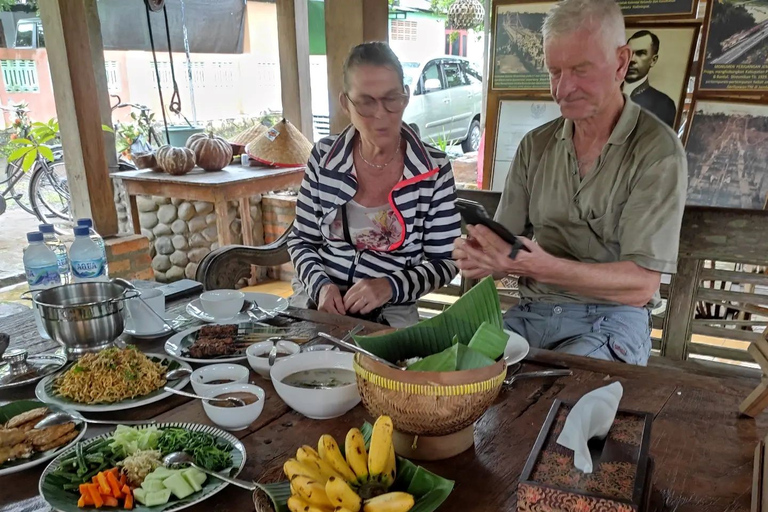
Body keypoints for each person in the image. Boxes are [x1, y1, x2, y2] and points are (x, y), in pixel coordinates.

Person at [453, 0, 687, 365]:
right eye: (555, 71)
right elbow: (504, 254)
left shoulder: (656, 151)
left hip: (612, 320)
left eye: (580, 70)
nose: (564, 88)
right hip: (532, 314)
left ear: (621, 63)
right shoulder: (536, 145)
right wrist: (483, 258)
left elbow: (641, 284)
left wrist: (542, 267)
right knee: (454, 378)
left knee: (557, 401)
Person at [287, 42, 462, 328]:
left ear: (405, 97)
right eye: (366, 102)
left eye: (391, 98)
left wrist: (389, 286)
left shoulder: (433, 169)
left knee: (381, 371)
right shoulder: (325, 158)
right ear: (346, 103)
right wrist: (320, 285)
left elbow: (445, 262)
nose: (380, 114)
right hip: (318, 301)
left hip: (391, 309)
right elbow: (301, 240)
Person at [625, 30, 677, 128]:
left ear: (653, 60)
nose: (632, 60)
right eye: (629, 53)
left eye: (640, 53)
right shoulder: (606, 93)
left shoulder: (663, 104)